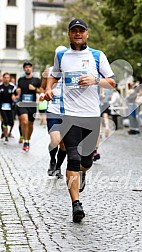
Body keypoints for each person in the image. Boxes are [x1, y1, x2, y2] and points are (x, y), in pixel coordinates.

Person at [44, 19, 116, 222]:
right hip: (69, 115)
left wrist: (96, 80)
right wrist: (49, 88)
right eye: (74, 31)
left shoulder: (97, 56)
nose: (77, 34)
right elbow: (54, 75)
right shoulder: (61, 55)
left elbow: (112, 82)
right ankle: (76, 204)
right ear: (68, 34)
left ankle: (82, 173)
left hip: (91, 116)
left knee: (86, 161)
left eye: (81, 31)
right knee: (73, 158)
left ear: (87, 34)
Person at [40, 46, 67, 178]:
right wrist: (43, 94)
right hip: (53, 110)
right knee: (55, 140)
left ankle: (58, 167)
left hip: (68, 112)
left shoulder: (72, 71)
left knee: (64, 144)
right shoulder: (49, 71)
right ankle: (52, 160)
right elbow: (42, 88)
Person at [16, 62, 41, 151]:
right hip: (23, 104)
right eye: (26, 67)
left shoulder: (37, 80)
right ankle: (25, 142)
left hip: (32, 105)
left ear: (32, 68)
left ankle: (28, 140)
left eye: (29, 67)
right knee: (24, 122)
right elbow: (18, 90)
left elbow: (42, 90)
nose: (28, 69)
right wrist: (17, 92)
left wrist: (34, 89)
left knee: (30, 124)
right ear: (24, 69)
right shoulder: (20, 80)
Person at [0, 73, 17, 143]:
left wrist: (14, 98)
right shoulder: (0, 86)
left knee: (11, 122)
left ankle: (7, 132)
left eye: (8, 78)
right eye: (5, 78)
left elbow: (16, 95)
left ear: (9, 78)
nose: (6, 79)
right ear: (3, 78)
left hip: (10, 106)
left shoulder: (12, 86)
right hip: (2, 106)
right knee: (5, 121)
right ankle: (6, 137)